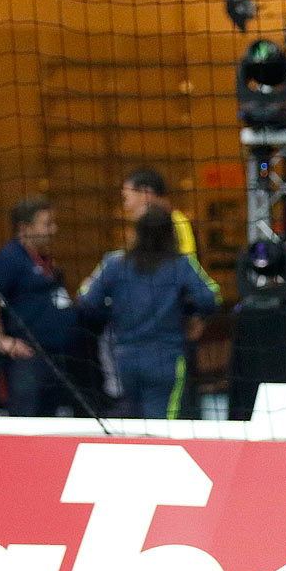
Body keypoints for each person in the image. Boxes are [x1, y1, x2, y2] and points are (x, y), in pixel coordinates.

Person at [76, 205, 218, 419]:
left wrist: (112, 311)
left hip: (125, 359)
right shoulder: (180, 265)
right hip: (166, 358)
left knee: (133, 420)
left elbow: (87, 301)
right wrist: (192, 316)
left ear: (136, 232)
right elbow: (210, 298)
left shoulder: (115, 263)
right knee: (161, 423)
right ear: (170, 234)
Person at [119, 167, 220, 415]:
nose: (126, 205)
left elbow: (190, 278)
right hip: (148, 341)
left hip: (170, 337)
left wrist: (197, 317)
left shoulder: (174, 224)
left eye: (127, 197)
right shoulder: (148, 228)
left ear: (146, 193)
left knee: (169, 411)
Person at [0, 196, 82, 417]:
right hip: (27, 363)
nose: (54, 229)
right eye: (46, 224)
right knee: (28, 420)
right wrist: (1, 341)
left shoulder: (40, 259)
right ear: (25, 228)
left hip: (55, 358)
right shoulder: (8, 260)